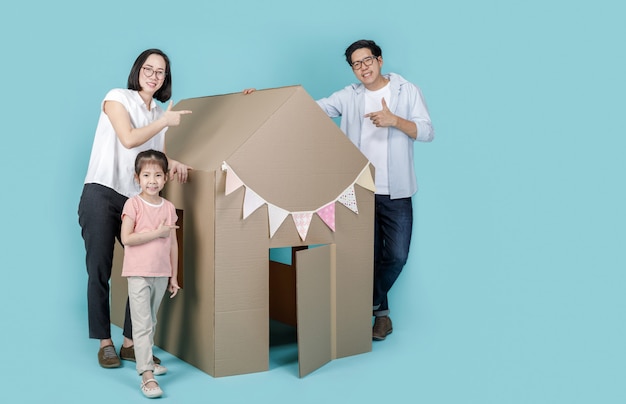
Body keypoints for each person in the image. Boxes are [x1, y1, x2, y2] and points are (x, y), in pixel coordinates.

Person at [78, 48, 192, 369]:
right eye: (149, 69)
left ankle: (131, 342)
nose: (154, 76)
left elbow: (156, 160)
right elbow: (128, 139)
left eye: (160, 72)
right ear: (138, 70)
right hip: (101, 191)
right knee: (100, 269)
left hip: (134, 200)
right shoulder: (117, 97)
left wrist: (175, 162)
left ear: (165, 79)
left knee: (141, 270)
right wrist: (166, 121)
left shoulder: (159, 115)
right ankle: (105, 342)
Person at [316, 39, 434, 341]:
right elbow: (314, 109)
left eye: (367, 60)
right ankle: (382, 318)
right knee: (363, 256)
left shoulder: (406, 91)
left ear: (379, 60)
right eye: (356, 64)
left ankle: (364, 303)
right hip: (359, 191)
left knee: (395, 255)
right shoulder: (348, 97)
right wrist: (263, 99)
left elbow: (427, 131)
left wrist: (394, 120)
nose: (363, 68)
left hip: (397, 191)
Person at [121, 150, 180, 399]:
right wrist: (157, 233)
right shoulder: (133, 204)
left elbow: (174, 244)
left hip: (160, 273)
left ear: (165, 178)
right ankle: (146, 374)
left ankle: (148, 360)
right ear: (137, 178)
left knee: (151, 322)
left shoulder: (168, 208)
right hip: (138, 273)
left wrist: (173, 276)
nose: (152, 180)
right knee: (142, 324)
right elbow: (127, 238)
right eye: (146, 175)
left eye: (157, 175)